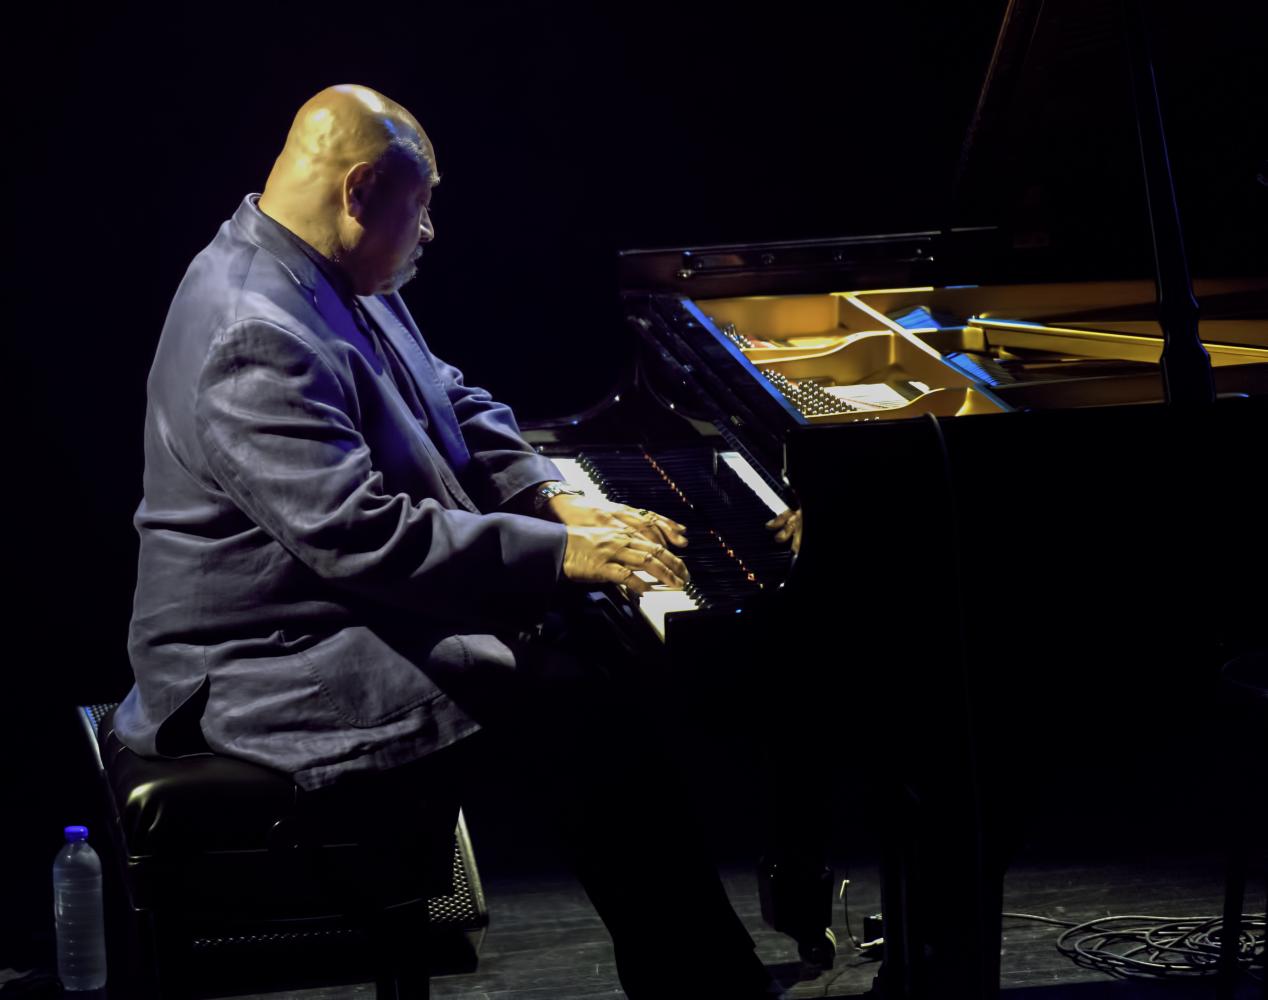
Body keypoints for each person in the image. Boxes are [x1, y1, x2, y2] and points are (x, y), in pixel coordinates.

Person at [114, 84, 782, 997]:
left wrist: (544, 496)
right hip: (264, 661)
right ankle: (709, 984)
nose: (429, 232)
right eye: (419, 205)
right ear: (358, 191)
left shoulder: (318, 268)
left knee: (590, 668)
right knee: (580, 711)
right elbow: (364, 537)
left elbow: (449, 393)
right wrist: (559, 557)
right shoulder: (255, 334)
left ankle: (702, 976)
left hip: (324, 611)